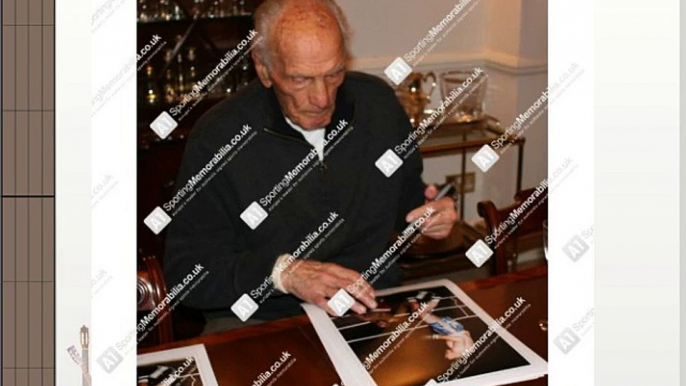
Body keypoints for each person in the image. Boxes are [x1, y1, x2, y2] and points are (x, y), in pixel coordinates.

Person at [164, 0, 458, 333]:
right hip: (265, 320)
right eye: (301, 79)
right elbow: (186, 276)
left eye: (334, 74)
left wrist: (429, 216)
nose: (322, 98)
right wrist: (282, 274)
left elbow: (407, 200)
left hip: (373, 307)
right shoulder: (220, 135)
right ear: (263, 67)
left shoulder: (377, 105)